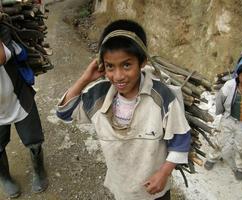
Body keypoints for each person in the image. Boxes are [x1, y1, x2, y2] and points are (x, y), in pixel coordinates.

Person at [56, 19, 191, 200]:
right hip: (121, 188)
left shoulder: (162, 98)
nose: (118, 76)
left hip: (155, 190)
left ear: (142, 62)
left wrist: (164, 173)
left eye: (126, 65)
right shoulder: (99, 96)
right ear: (102, 65)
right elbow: (64, 113)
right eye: (110, 66)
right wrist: (86, 78)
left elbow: (180, 140)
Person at [0, 25, 47, 198]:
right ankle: (4, 177)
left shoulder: (2, 30)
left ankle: (39, 170)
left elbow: (1, 57)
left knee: (34, 140)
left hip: (17, 96)